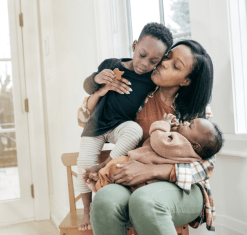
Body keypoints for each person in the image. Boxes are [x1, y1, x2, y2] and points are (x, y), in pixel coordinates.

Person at [83, 40, 216, 234]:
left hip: (183, 189)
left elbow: (208, 166)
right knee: (104, 200)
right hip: (133, 182)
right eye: (168, 56)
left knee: (145, 200)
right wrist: (102, 90)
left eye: (175, 66)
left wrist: (152, 172)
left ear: (185, 80)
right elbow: (85, 118)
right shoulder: (139, 93)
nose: (164, 63)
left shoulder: (196, 111)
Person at [77, 22, 173, 231]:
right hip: (96, 125)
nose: (144, 64)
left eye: (153, 61)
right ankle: (86, 209)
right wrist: (98, 78)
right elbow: (87, 85)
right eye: (142, 54)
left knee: (135, 131)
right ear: (134, 45)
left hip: (120, 126)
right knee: (83, 162)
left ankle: (104, 167)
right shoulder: (112, 64)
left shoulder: (151, 80)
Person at [85, 114, 223, 193]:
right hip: (150, 178)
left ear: (195, 145)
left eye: (190, 125)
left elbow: (159, 143)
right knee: (117, 175)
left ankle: (98, 185)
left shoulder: (182, 144)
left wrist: (163, 125)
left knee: (115, 166)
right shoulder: (188, 151)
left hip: (142, 165)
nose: (185, 122)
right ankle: (100, 183)